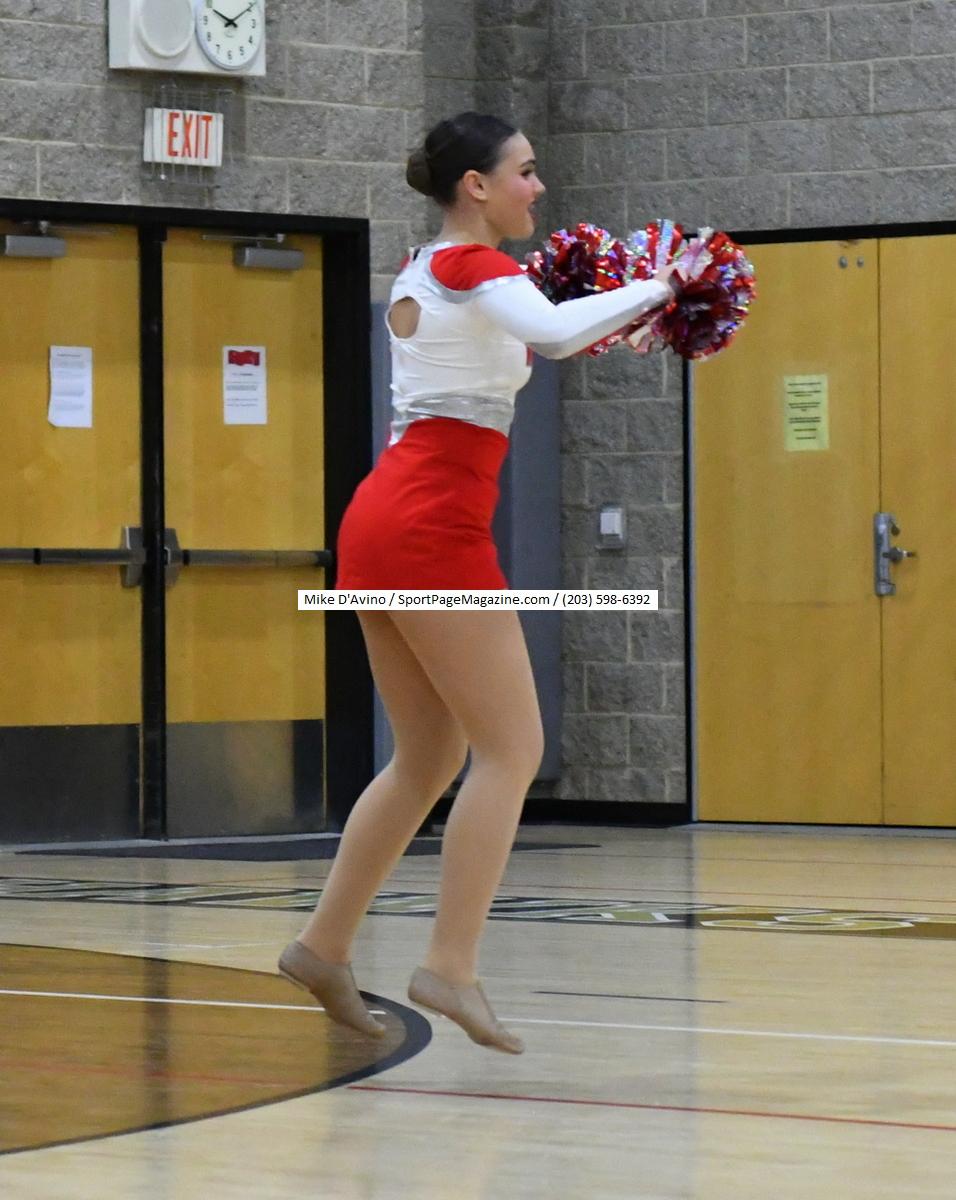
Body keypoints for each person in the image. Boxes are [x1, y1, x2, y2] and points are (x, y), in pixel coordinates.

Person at [279, 112, 679, 1055]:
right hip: (429, 530)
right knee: (511, 750)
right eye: (525, 171)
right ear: (476, 186)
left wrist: (626, 307)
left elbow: (546, 329)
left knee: (427, 757)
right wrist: (668, 282)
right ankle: (448, 967)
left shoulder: (429, 268)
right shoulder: (470, 263)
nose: (538, 187)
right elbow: (554, 335)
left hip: (385, 520)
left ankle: (322, 948)